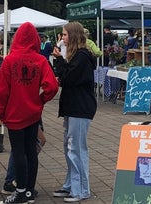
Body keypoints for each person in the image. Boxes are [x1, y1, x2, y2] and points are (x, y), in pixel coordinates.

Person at [0, 22, 58, 204]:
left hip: (14, 114)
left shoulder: (10, 60)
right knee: (31, 151)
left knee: (19, 151)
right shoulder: (40, 60)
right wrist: (40, 100)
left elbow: (0, 92)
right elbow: (52, 86)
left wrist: (1, 113)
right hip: (33, 113)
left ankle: (20, 193)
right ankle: (29, 190)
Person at [51, 22, 97, 203]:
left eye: (65, 34)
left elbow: (69, 77)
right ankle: (71, 184)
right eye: (62, 34)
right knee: (69, 147)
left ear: (73, 36)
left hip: (80, 107)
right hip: (73, 106)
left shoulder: (82, 57)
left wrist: (60, 61)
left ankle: (82, 189)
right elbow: (67, 77)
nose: (62, 38)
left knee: (76, 149)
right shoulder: (77, 56)